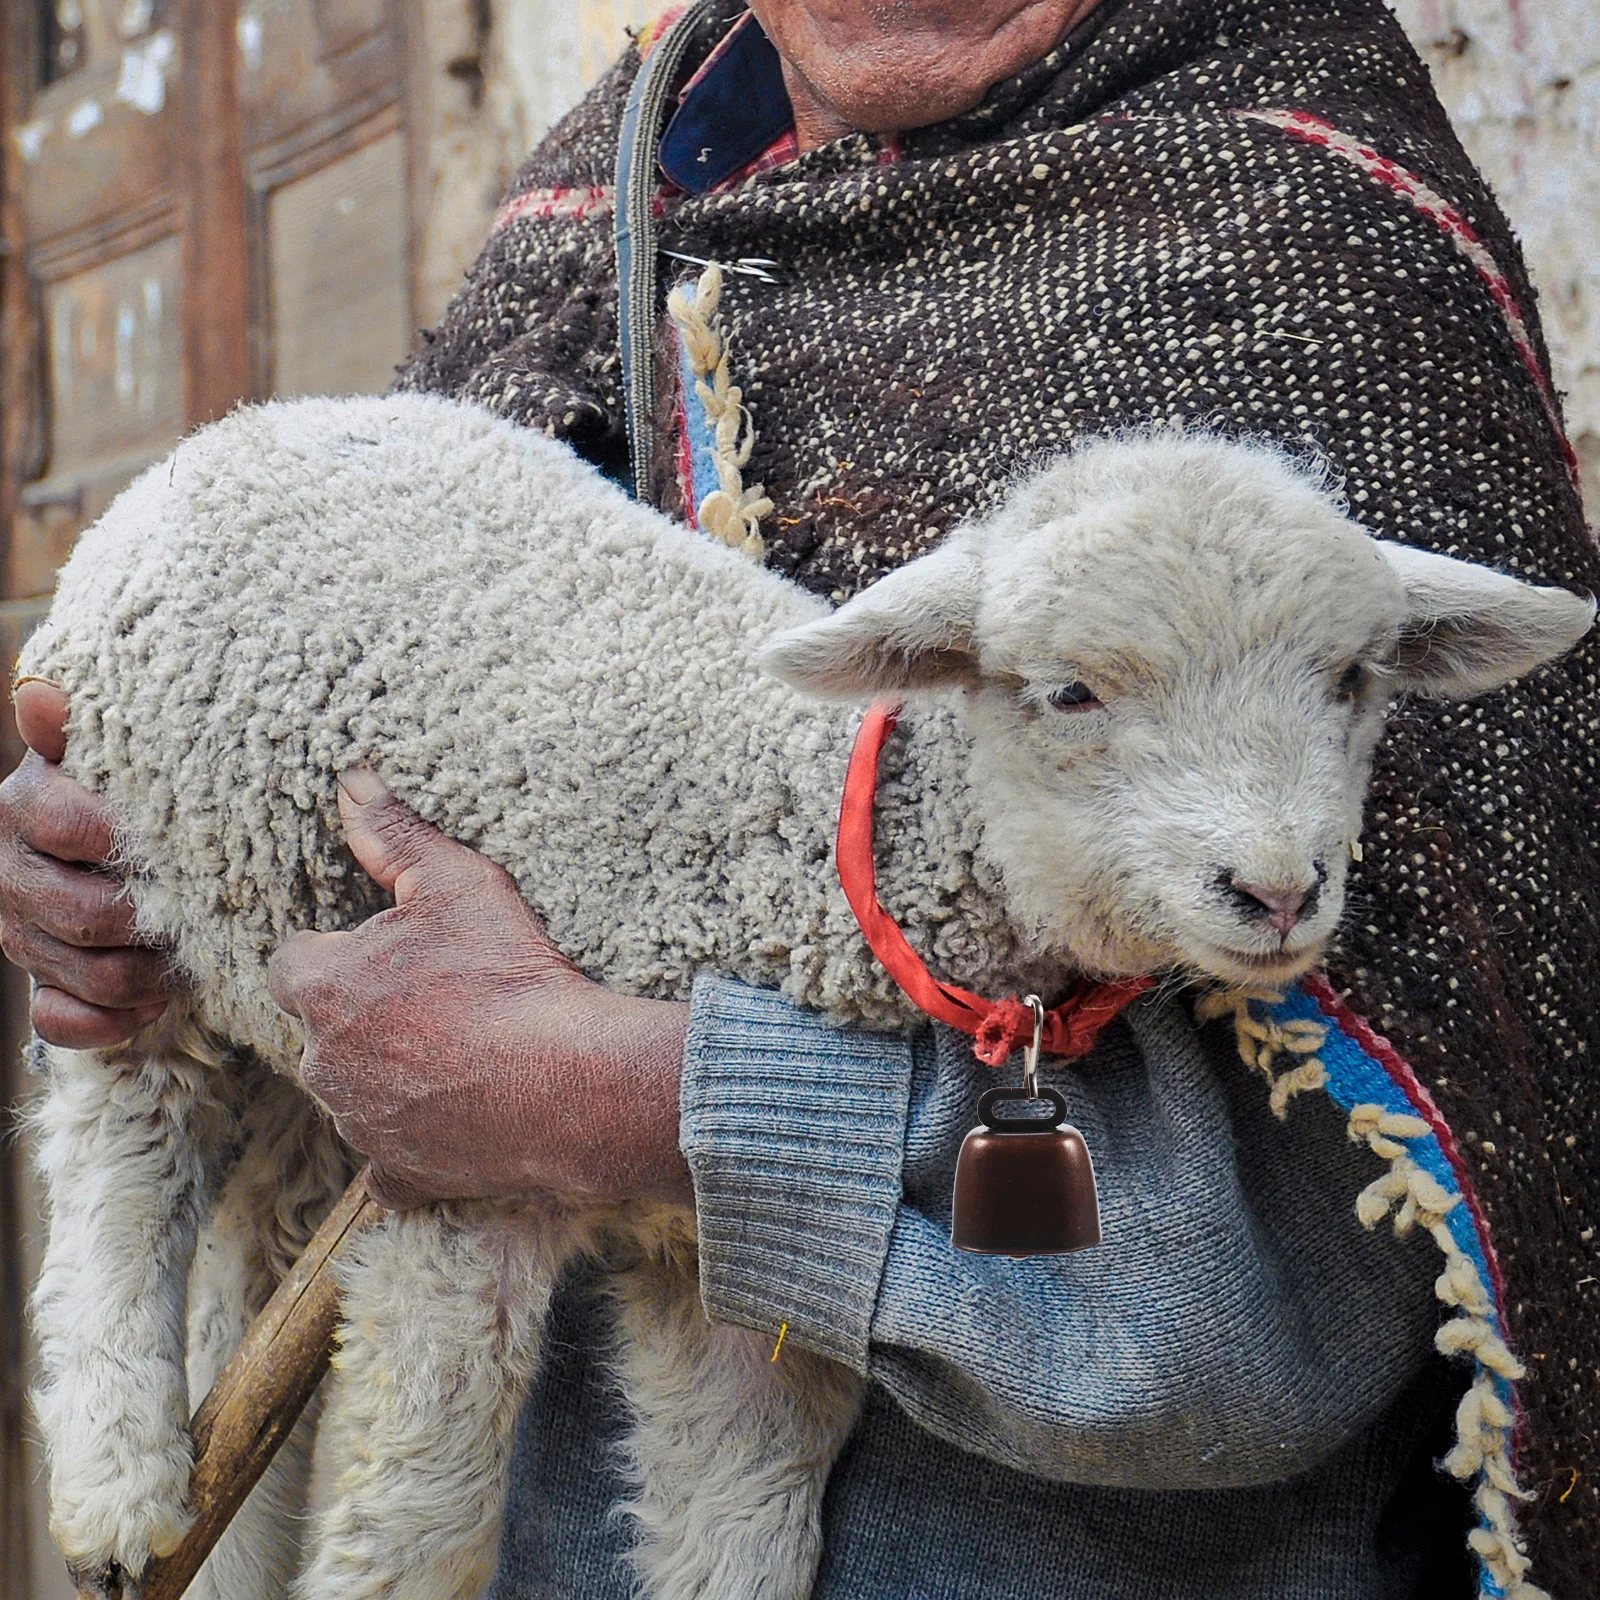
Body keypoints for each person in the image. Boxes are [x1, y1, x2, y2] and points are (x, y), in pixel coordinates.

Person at [4, 1, 1596, 1594]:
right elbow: (353, 722)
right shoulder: (625, 187)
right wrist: (141, 866)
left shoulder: (1303, 252)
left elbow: (1308, 1298)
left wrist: (638, 1100)